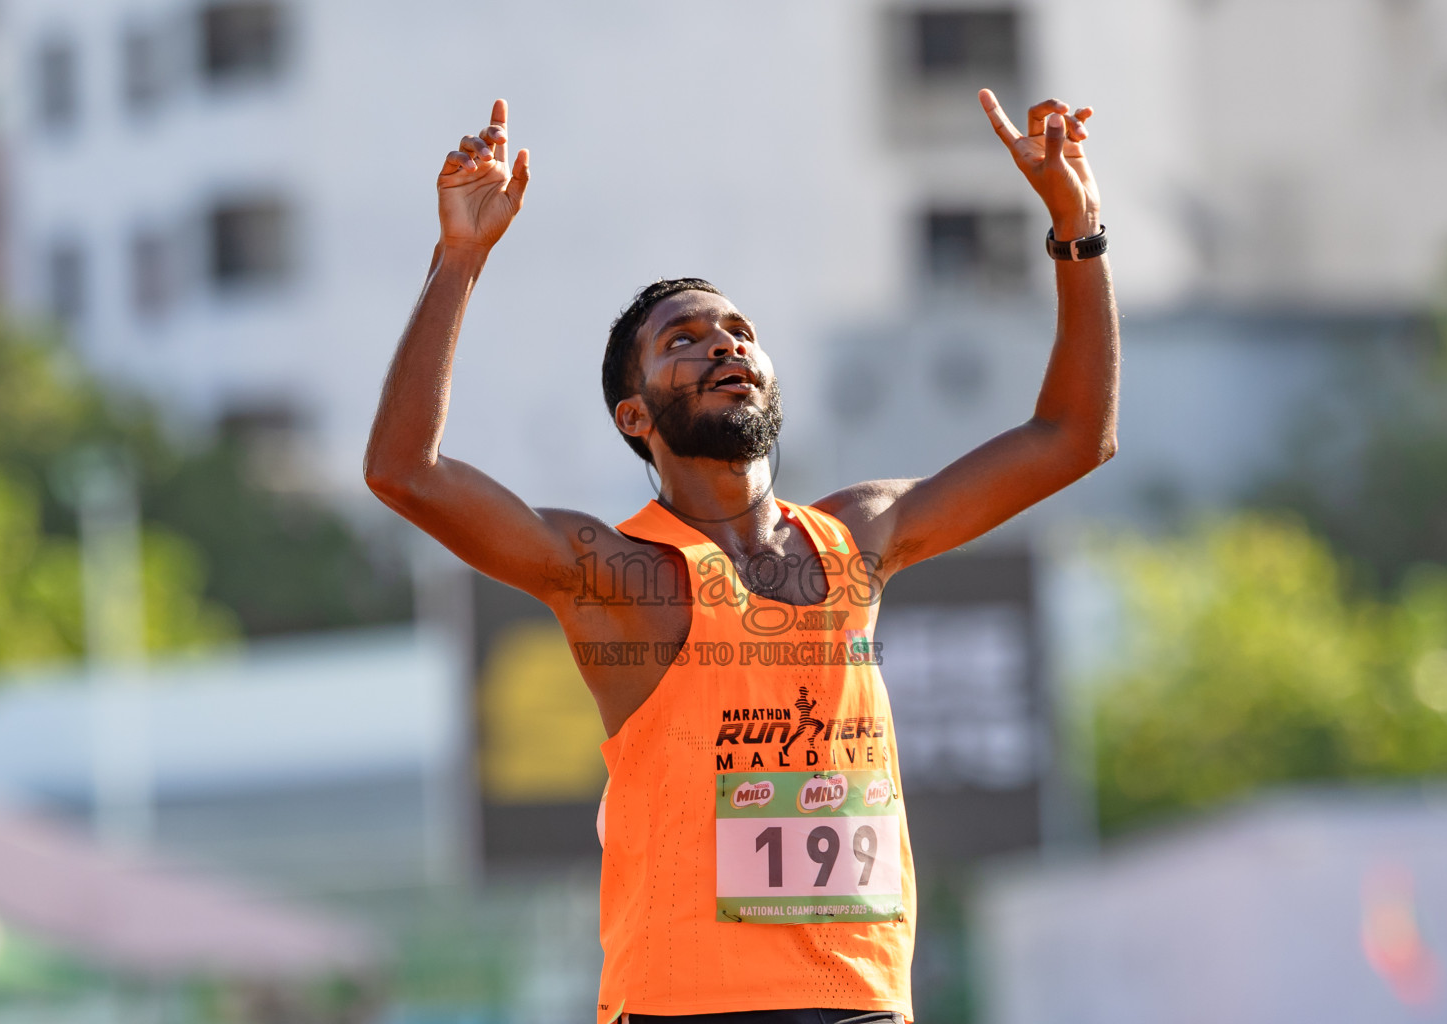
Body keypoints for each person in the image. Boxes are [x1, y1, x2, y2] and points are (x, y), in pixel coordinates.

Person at [365, 88, 1118, 1024]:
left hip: (863, 1001)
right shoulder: (614, 571)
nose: (723, 343)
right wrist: (460, 257)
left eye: (739, 333)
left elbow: (1072, 436)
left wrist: (1077, 229)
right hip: (686, 1008)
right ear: (633, 418)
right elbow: (406, 472)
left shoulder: (861, 536)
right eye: (682, 340)